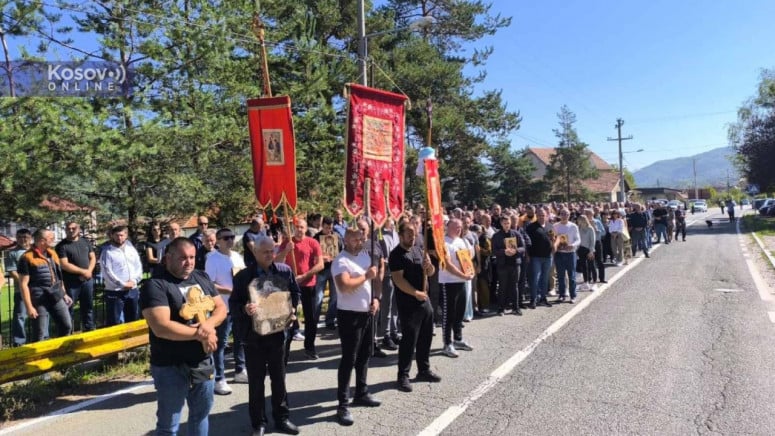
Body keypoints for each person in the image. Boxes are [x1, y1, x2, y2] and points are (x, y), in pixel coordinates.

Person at [140, 237, 227, 436]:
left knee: (200, 416)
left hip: (202, 360)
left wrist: (208, 325)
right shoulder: (155, 285)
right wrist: (201, 334)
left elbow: (220, 308)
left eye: (192, 257)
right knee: (169, 425)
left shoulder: (201, 277)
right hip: (170, 364)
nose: (188, 262)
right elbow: (161, 327)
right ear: (168, 258)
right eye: (182, 258)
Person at [230, 235, 301, 436]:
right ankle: (259, 423)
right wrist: (245, 308)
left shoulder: (285, 271)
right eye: (265, 252)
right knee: (256, 381)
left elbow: (295, 293)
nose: (270, 255)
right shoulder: (243, 276)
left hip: (278, 334)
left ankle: (282, 418)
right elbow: (233, 304)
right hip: (254, 337)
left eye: (272, 251)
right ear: (255, 253)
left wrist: (293, 309)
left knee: (279, 379)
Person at [332, 227, 382, 426]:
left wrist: (376, 299)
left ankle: (361, 392)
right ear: (345, 239)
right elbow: (344, 285)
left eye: (362, 239)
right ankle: (342, 404)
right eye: (355, 239)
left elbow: (374, 280)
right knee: (349, 359)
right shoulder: (341, 261)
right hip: (349, 316)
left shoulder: (365, 257)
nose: (359, 242)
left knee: (364, 355)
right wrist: (366, 276)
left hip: (367, 313)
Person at [389, 222, 441, 393]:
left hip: (424, 301)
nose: (413, 237)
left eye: (415, 233)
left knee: (426, 338)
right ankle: (403, 375)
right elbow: (398, 279)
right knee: (409, 340)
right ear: (401, 234)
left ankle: (423, 370)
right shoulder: (396, 254)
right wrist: (414, 292)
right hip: (408, 303)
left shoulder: (419, 250)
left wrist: (430, 266)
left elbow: (431, 273)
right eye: (409, 234)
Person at [205, 228, 248, 395]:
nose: (230, 240)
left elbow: (243, 277)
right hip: (222, 307)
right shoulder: (212, 259)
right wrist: (229, 290)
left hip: (239, 305)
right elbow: (210, 284)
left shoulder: (237, 256)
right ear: (218, 241)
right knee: (221, 343)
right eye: (226, 238)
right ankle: (219, 378)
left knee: (241, 339)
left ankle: (240, 370)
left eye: (232, 237)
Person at [276, 219, 324, 360]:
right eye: (297, 227)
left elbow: (320, 264)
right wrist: (286, 250)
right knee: (288, 317)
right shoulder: (287, 242)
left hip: (309, 284)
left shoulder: (312, 242)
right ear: (293, 228)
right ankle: (285, 350)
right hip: (291, 285)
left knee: (311, 318)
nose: (299, 229)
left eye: (302, 227)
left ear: (305, 229)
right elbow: (277, 261)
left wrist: (305, 276)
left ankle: (309, 347)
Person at [18, 229, 73, 342]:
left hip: (55, 295)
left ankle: (59, 353)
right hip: (39, 298)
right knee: (40, 333)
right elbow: (23, 284)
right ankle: (37, 358)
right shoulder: (27, 257)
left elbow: (58, 276)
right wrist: (29, 307)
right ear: (42, 240)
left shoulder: (52, 253)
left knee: (66, 325)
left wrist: (64, 294)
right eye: (51, 238)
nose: (54, 240)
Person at [437, 218, 476, 357]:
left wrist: (469, 272)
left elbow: (467, 260)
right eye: (456, 226)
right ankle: (447, 343)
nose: (459, 229)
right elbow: (447, 265)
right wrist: (462, 275)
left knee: (460, 312)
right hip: (448, 283)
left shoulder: (461, 241)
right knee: (449, 314)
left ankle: (458, 339)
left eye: (460, 227)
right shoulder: (443, 243)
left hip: (461, 282)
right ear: (448, 227)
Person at [55, 221, 96, 332]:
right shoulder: (61, 246)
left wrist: (89, 271)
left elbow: (92, 257)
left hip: (87, 281)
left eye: (74, 228)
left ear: (78, 229)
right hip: (71, 283)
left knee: (88, 307)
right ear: (65, 230)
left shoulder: (85, 242)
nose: (71, 230)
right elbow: (64, 264)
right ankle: (68, 332)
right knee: (69, 308)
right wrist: (84, 272)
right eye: (69, 228)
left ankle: (89, 330)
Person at [99, 225, 143, 326]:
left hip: (132, 290)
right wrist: (122, 284)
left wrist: (135, 281)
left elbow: (138, 265)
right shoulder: (107, 252)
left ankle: (132, 341)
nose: (119, 238)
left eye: (122, 235)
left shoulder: (131, 248)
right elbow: (107, 272)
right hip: (115, 292)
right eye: (117, 235)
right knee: (115, 321)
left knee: (133, 319)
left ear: (126, 235)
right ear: (112, 236)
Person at [313, 217, 342, 330]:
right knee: (318, 297)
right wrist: (321, 259)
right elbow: (312, 255)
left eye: (330, 228)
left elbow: (341, 250)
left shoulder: (337, 236)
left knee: (334, 297)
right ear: (322, 226)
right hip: (321, 271)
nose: (329, 230)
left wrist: (336, 257)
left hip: (334, 270)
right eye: (326, 228)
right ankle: (314, 320)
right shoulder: (316, 238)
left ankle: (330, 320)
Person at [5, 229, 32, 345]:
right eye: (19, 237)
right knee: (20, 316)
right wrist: (24, 284)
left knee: (41, 314)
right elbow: (12, 271)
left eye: (25, 237)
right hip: (20, 290)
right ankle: (19, 342)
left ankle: (41, 338)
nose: (22, 239)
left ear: (30, 238)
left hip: (37, 289)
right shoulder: (12, 253)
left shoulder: (35, 251)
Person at [525, 209, 554, 308]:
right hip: (535, 257)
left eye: (543, 215)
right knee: (535, 279)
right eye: (540, 215)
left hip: (548, 256)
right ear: (536, 215)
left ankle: (543, 298)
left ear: (547, 215)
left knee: (545, 279)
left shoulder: (550, 226)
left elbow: (553, 238)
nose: (542, 217)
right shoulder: (530, 227)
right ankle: (533, 299)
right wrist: (527, 255)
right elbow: (526, 243)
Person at [553, 209, 581, 303]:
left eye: (566, 214)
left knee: (571, 276)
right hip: (559, 254)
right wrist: (556, 245)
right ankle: (562, 295)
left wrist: (572, 245)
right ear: (559, 215)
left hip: (570, 254)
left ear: (569, 215)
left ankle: (573, 295)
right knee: (560, 276)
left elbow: (578, 240)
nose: (564, 215)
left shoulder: (573, 226)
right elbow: (552, 238)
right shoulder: (555, 226)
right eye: (562, 214)